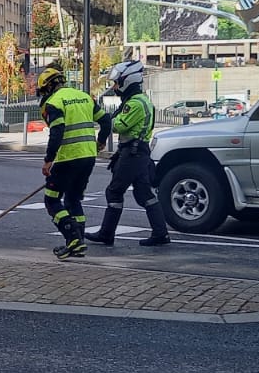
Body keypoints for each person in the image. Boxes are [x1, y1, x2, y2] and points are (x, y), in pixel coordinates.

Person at [86, 60, 170, 249]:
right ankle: (160, 233)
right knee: (144, 194)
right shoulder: (142, 101)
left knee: (114, 191)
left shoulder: (135, 104)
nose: (114, 87)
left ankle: (106, 234)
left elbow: (119, 125)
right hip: (139, 153)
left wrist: (100, 115)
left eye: (116, 83)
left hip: (132, 154)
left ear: (127, 81)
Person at [36, 63, 98, 260]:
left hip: (67, 158)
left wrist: (48, 160)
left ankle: (72, 239)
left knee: (51, 199)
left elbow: (57, 132)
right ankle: (79, 243)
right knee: (73, 199)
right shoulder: (84, 96)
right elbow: (105, 120)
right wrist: (102, 141)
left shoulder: (55, 102)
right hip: (88, 157)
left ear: (48, 87)